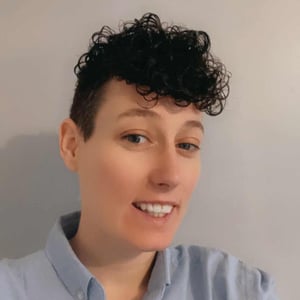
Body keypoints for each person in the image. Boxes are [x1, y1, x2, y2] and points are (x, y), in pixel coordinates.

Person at [0, 12, 278, 300]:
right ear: (72, 145)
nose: (169, 176)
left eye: (187, 145)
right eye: (136, 137)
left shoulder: (238, 290)